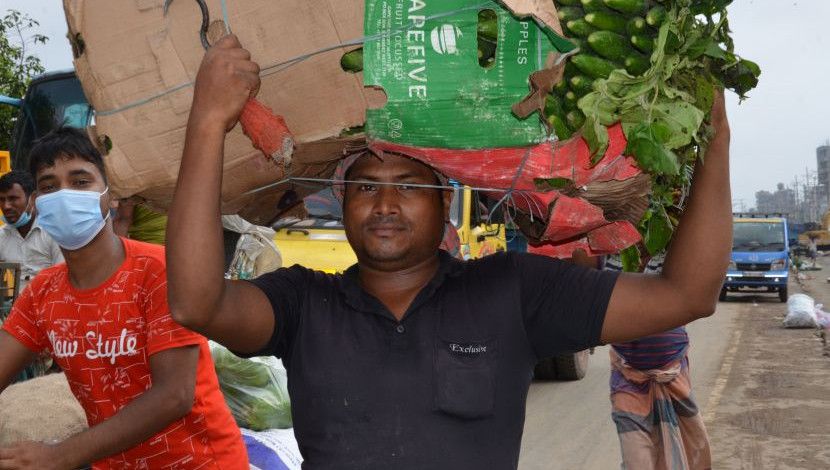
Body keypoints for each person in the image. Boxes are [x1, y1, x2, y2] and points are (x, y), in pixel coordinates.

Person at [166, 35, 731, 469]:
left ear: (445, 205)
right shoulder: (303, 303)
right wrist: (210, 119)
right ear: (342, 206)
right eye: (365, 188)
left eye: (409, 186)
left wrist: (717, 141)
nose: (385, 203)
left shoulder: (512, 291)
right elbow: (197, 304)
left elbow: (687, 294)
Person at [0, 128, 248, 469]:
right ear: (37, 203)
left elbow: (174, 395)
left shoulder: (159, 270)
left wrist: (60, 455)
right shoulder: (43, 291)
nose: (64, 195)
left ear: (109, 194)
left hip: (202, 462)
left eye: (80, 180)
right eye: (48, 186)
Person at [604, 253, 711, 470]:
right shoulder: (611, 250)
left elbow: (699, 295)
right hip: (628, 376)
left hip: (674, 372)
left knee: (695, 447)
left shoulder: (673, 251)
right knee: (637, 459)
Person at [0, 170, 63, 291]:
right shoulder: (2, 236)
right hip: (18, 306)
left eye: (13, 198)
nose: (6, 206)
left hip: (52, 303)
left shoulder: (54, 232)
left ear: (33, 198)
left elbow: (64, 279)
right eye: (2, 199)